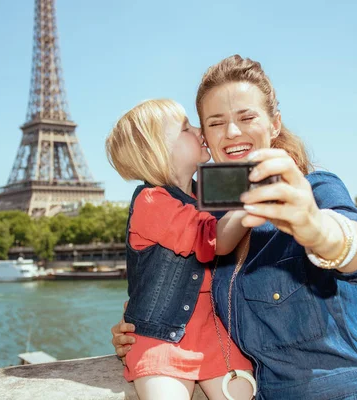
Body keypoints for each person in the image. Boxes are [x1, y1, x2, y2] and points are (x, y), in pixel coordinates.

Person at [111, 56, 357, 400]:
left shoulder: (314, 190)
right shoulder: (207, 217)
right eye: (215, 123)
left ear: (275, 124)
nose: (231, 132)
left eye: (246, 117)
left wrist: (319, 230)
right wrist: (139, 323)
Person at [105, 99, 255, 400]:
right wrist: (256, 199)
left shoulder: (209, 191)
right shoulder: (151, 202)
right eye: (186, 128)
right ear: (157, 152)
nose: (200, 130)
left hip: (216, 335)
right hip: (160, 339)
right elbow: (215, 238)